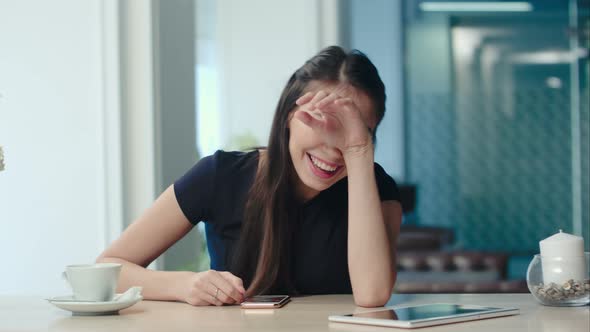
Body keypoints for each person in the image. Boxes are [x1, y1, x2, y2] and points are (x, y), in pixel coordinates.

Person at [97, 46, 402, 308]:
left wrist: (359, 151)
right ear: (288, 115)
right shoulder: (221, 176)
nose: (334, 150)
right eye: (322, 122)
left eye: (355, 131)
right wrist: (183, 285)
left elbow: (372, 294)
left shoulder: (377, 189)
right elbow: (107, 270)